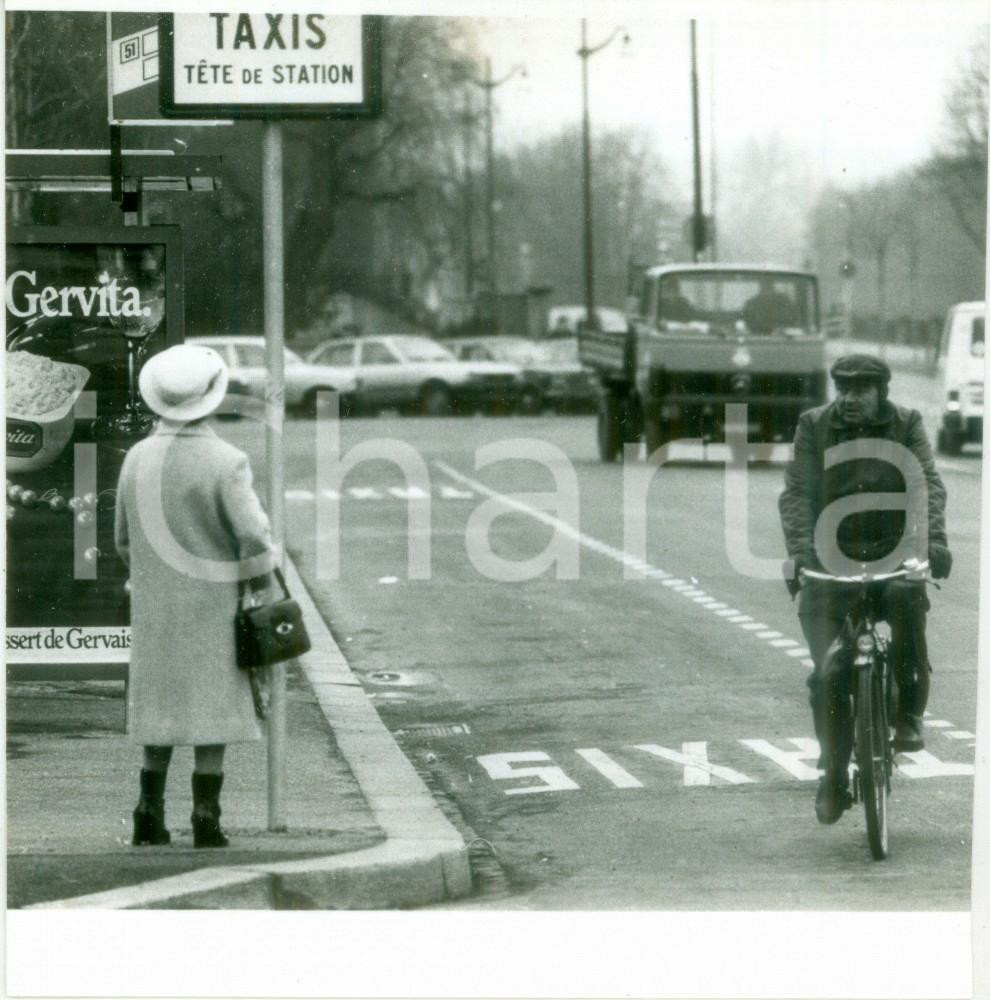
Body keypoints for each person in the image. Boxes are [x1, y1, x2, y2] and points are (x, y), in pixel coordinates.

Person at [778, 354, 951, 825]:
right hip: (827, 561)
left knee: (906, 600)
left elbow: (927, 486)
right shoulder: (813, 426)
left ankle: (909, 713)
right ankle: (833, 772)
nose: (850, 398)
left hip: (893, 553)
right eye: (843, 388)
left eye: (861, 389)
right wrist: (800, 554)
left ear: (882, 392)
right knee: (829, 673)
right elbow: (797, 493)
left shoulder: (906, 424)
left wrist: (933, 540)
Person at [115, 344, 274, 848]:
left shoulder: (137, 457)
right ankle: (207, 818)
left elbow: (122, 538)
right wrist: (256, 582)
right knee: (214, 710)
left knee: (160, 710)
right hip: (214, 605)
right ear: (211, 398)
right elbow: (253, 537)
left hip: (155, 607)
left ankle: (147, 812)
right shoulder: (227, 461)